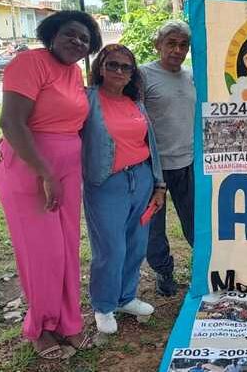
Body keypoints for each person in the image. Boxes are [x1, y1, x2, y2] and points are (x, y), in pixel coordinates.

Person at [0, 11, 102, 359]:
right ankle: (41, 327)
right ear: (52, 34)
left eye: (85, 39)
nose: (77, 42)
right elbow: (11, 122)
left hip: (67, 168)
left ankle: (69, 322)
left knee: (68, 250)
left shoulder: (72, 72)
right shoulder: (29, 63)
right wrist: (45, 173)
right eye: (70, 34)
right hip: (31, 169)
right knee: (43, 253)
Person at [82, 44, 166, 334]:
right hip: (106, 183)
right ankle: (104, 305)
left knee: (136, 243)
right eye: (112, 64)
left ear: (133, 73)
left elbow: (150, 144)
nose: (119, 70)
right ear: (101, 68)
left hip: (141, 179)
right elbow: (60, 129)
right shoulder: (88, 99)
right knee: (110, 247)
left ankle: (125, 297)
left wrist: (159, 184)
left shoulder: (135, 102)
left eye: (125, 66)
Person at [141, 21, 196, 296]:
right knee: (154, 226)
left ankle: (204, 265)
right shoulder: (143, 75)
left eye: (183, 45)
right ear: (158, 45)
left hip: (188, 163)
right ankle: (163, 272)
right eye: (171, 43)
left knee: (195, 219)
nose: (177, 50)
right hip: (153, 167)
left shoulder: (191, 76)